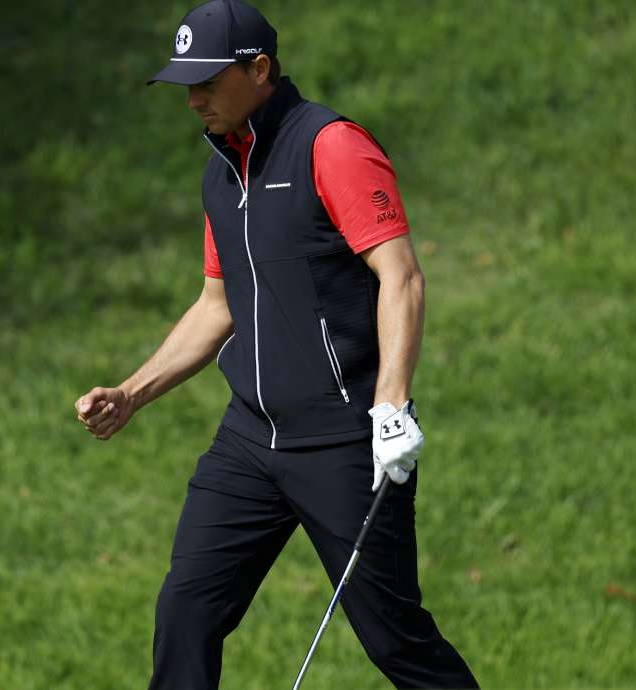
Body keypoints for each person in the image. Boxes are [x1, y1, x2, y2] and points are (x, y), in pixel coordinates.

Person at [75, 1, 478, 687]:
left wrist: (390, 408)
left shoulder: (332, 147)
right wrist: (131, 393)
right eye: (185, 85)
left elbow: (401, 277)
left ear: (260, 69)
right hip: (250, 443)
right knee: (185, 613)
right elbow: (218, 304)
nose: (194, 99)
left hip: (344, 443)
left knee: (395, 641)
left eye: (207, 82)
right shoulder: (220, 172)